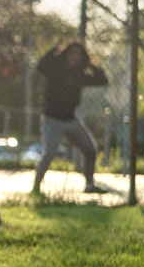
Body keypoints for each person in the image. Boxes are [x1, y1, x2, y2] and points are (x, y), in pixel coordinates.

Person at [32, 41, 109, 194]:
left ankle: (89, 185)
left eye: (78, 55)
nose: (74, 57)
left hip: (70, 119)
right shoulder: (55, 70)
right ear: (66, 54)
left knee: (90, 149)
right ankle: (35, 188)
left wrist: (91, 65)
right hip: (52, 119)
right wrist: (53, 50)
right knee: (49, 153)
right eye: (71, 53)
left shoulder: (80, 75)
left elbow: (102, 80)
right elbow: (41, 66)